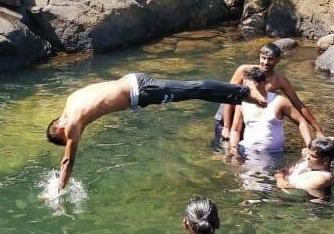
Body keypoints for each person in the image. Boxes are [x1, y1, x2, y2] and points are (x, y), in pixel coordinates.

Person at [46, 73, 266, 192]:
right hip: (133, 81)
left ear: (62, 130)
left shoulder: (72, 123)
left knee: (194, 89)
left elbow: (68, 161)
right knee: (193, 90)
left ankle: (244, 90)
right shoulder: (71, 102)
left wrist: (59, 190)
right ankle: (242, 95)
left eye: (68, 139)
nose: (76, 137)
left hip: (141, 91)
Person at [214, 42, 325, 143]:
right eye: (263, 58)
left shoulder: (279, 80)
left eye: (270, 59)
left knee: (242, 147)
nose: (265, 62)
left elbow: (298, 104)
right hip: (227, 114)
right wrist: (226, 127)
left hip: (246, 117)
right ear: (259, 56)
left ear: (278, 60)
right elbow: (228, 96)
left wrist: (317, 130)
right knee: (223, 147)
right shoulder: (244, 70)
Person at [228, 67, 312, 156]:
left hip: (274, 154)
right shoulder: (242, 103)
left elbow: (301, 121)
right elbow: (235, 129)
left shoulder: (279, 101)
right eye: (245, 85)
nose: (246, 89)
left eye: (250, 86)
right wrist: (233, 147)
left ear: (262, 83)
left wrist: (309, 146)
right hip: (247, 151)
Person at [275, 137, 334, 203]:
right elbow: (281, 172)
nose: (307, 157)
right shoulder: (309, 164)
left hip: (304, 204)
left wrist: (280, 178)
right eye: (308, 154)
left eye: (312, 156)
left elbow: (287, 188)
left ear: (326, 160)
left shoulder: (321, 178)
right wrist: (280, 177)